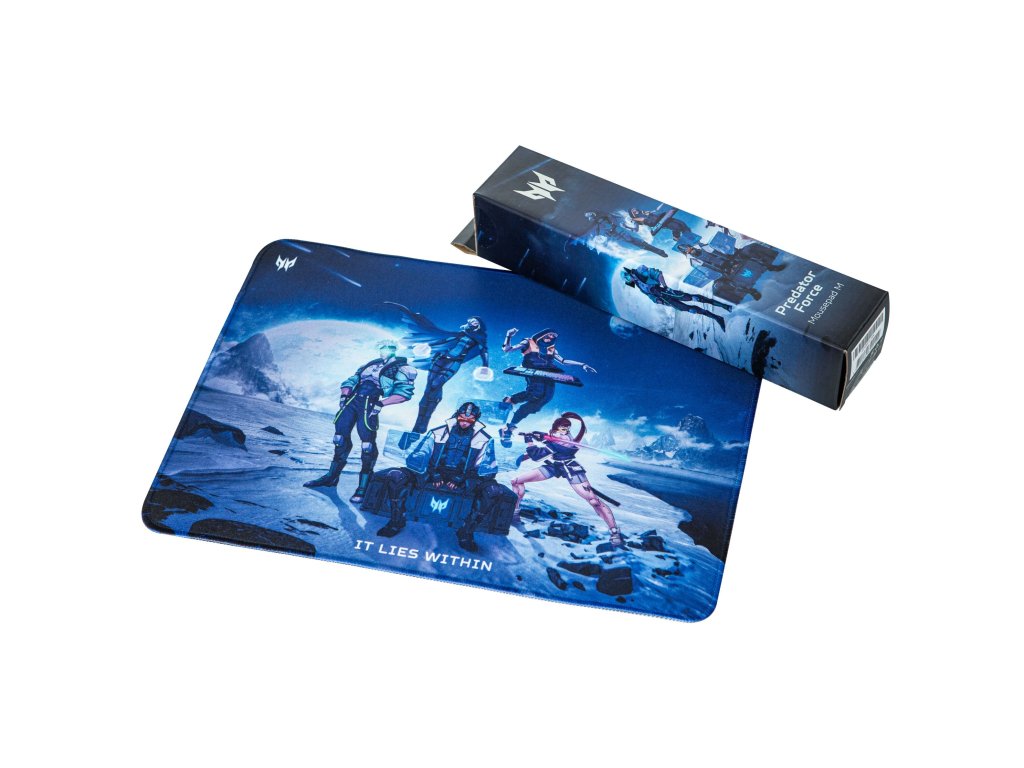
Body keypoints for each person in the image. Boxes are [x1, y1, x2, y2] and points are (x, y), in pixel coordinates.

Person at [375, 402, 515, 552]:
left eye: (469, 420)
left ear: (475, 419)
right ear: (457, 416)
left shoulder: (484, 439)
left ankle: (466, 531)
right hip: (432, 472)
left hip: (466, 477)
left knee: (493, 491)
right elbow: (419, 454)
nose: (465, 422)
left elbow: (488, 466)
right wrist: (432, 474)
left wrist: (462, 478)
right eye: (462, 418)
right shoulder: (438, 432)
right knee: (396, 476)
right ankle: (396, 520)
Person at [303, 340, 417, 502]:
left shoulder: (402, 368)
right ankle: (331, 477)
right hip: (352, 400)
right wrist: (345, 395)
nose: (385, 350)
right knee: (339, 438)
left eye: (389, 348)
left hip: (370, 403)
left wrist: (381, 403)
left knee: (367, 445)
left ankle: (363, 487)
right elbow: (352, 380)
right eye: (382, 348)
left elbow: (404, 393)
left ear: (394, 350)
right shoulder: (370, 364)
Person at [512, 412, 625, 549]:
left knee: (593, 500)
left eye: (567, 428)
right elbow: (550, 440)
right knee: (516, 481)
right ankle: (514, 513)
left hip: (571, 468)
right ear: (556, 428)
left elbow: (537, 455)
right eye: (562, 428)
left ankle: (614, 532)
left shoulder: (565, 440)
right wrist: (539, 436)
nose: (565, 430)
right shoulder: (554, 437)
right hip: (554, 466)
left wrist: (530, 441)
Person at [499, 327, 595, 444]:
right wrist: (509, 336)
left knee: (544, 399)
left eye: (553, 337)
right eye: (548, 335)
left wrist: (582, 364)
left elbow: (563, 361)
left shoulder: (551, 349)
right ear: (542, 334)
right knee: (535, 393)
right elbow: (507, 349)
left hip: (549, 374)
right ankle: (511, 400)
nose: (550, 338)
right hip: (533, 370)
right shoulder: (528, 342)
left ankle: (510, 427)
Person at [622, 264, 732, 331]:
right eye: (628, 281)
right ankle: (717, 318)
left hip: (667, 291)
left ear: (628, 275)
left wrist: (665, 286)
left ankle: (724, 305)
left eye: (628, 279)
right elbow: (649, 295)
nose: (629, 281)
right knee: (691, 310)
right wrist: (657, 300)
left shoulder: (640, 270)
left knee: (695, 298)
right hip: (665, 300)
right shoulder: (638, 286)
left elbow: (657, 274)